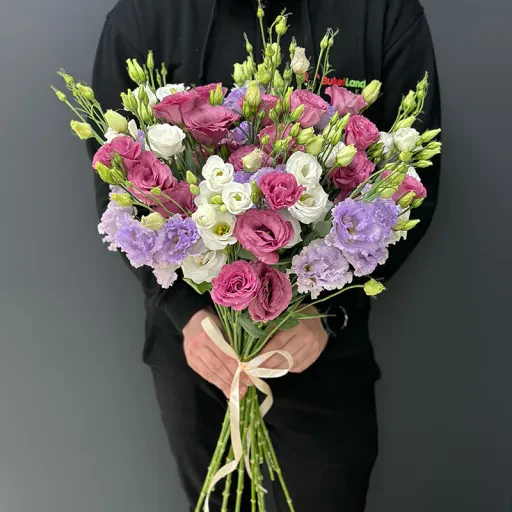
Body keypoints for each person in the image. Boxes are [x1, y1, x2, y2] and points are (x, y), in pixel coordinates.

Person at [87, 0, 441, 510]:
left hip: (320, 344)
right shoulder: (143, 17)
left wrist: (328, 313)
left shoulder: (383, 12)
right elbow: (116, 191)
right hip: (198, 350)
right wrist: (185, 315)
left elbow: (412, 186)